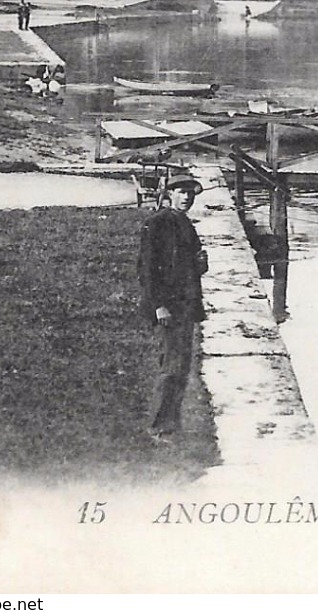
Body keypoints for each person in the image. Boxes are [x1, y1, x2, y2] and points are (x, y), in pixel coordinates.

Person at [136, 172, 209, 442]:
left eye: (190, 193)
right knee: (172, 366)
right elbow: (146, 269)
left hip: (185, 305)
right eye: (180, 192)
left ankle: (171, 424)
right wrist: (159, 306)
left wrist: (200, 263)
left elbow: (187, 266)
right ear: (169, 194)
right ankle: (160, 427)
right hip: (169, 306)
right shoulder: (158, 223)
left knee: (180, 366)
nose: (186, 197)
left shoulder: (184, 223)